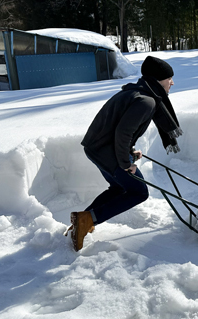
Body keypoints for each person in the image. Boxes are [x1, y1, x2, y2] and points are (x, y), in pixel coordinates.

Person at [66, 56, 182, 251]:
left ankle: (81, 222)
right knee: (139, 192)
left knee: (120, 188)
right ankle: (86, 221)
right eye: (168, 78)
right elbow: (123, 132)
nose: (172, 82)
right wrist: (126, 162)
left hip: (97, 148)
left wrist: (129, 152)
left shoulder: (137, 93)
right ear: (157, 80)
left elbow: (118, 129)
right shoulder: (146, 101)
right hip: (104, 150)